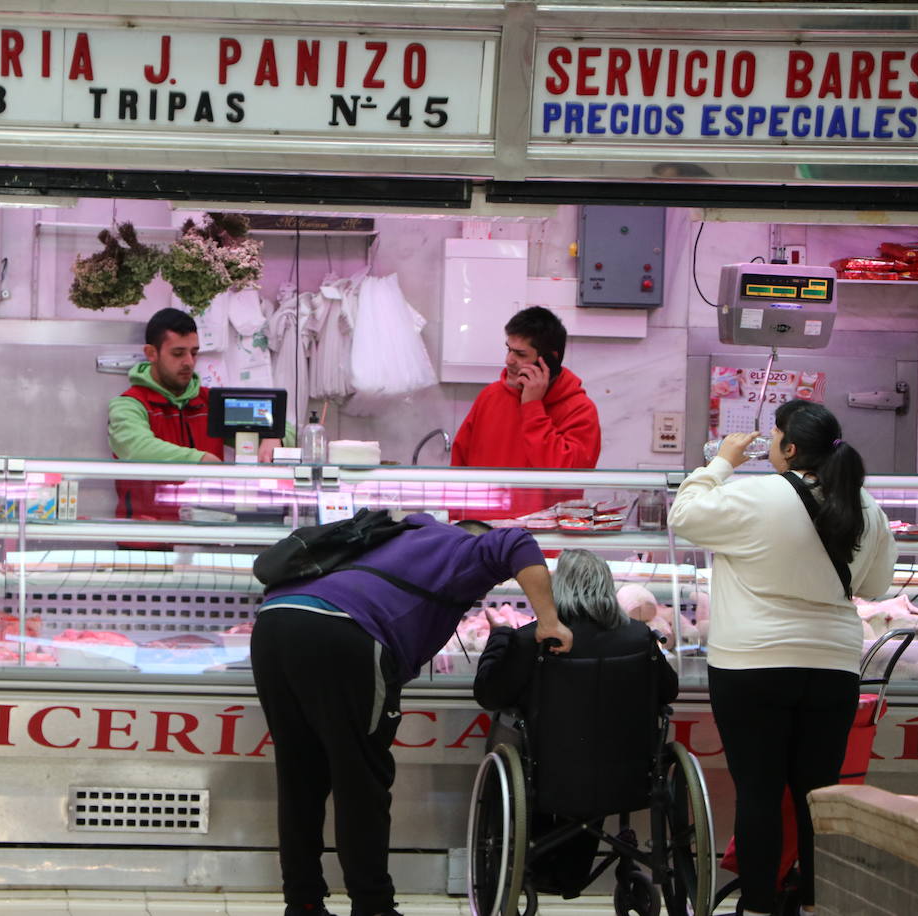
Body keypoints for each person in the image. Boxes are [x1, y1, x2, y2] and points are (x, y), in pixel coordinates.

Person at [250, 516, 574, 916]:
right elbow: (516, 542)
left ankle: (303, 902)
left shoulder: (403, 534)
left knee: (300, 774)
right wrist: (549, 621)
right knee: (360, 778)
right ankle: (373, 907)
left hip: (273, 622)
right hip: (342, 630)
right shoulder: (462, 546)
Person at [667, 400, 897, 916]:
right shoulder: (866, 506)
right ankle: (817, 902)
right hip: (833, 669)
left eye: (773, 436)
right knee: (817, 796)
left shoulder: (753, 493)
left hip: (752, 666)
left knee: (759, 794)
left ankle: (760, 904)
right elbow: (878, 585)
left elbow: (683, 516)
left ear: (789, 448)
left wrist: (720, 462)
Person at [472, 548, 678, 898]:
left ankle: (540, 869)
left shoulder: (533, 639)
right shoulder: (639, 637)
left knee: (528, 753)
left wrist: (500, 638)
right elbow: (668, 691)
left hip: (545, 775)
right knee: (592, 770)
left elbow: (490, 695)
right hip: (627, 777)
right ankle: (570, 874)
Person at [108, 307, 290, 518]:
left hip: (207, 536)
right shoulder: (129, 405)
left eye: (193, 353)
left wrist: (273, 435)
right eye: (178, 353)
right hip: (147, 538)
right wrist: (200, 461)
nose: (189, 362)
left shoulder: (211, 402)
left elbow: (284, 428)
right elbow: (136, 448)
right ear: (151, 353)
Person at [451, 306, 601, 517]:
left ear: (549, 360)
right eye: (508, 349)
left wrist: (532, 408)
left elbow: (566, 480)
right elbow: (459, 467)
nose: (509, 360)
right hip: (481, 535)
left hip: (543, 541)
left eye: (520, 354)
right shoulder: (490, 396)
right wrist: (456, 525)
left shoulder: (580, 410)